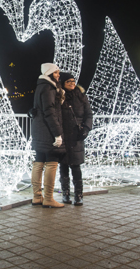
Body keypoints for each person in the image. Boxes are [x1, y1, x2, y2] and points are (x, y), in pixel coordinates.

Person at [30, 63, 65, 208]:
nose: (58, 75)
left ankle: (37, 197)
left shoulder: (41, 86)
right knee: (52, 163)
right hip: (47, 131)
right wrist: (57, 134)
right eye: (56, 73)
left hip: (39, 129)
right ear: (50, 73)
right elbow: (50, 112)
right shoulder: (49, 88)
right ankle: (49, 198)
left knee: (39, 162)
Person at [59, 72, 93, 206]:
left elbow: (88, 114)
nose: (72, 83)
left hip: (76, 135)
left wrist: (86, 128)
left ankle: (79, 195)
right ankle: (65, 193)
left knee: (76, 165)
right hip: (62, 135)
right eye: (68, 82)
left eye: (73, 81)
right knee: (63, 165)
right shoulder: (59, 96)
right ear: (63, 83)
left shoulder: (81, 96)